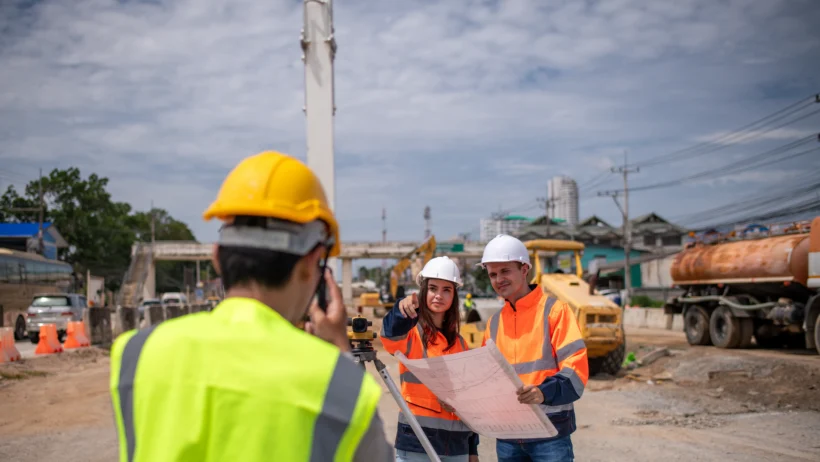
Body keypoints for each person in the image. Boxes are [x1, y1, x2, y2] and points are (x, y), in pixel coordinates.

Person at [109, 151, 393, 462]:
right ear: (310, 264)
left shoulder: (135, 354)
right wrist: (340, 353)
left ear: (217, 258)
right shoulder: (341, 387)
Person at [479, 234, 589, 462]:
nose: (499, 279)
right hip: (508, 435)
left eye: (505, 271)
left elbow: (576, 370)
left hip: (549, 433)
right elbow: (487, 378)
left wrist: (543, 392)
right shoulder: (494, 323)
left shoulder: (555, 312)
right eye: (493, 274)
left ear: (524, 269)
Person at [379, 257, 480, 462]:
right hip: (417, 444)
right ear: (423, 290)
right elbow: (389, 335)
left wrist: (472, 450)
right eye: (433, 288)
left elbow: (469, 401)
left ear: (454, 295)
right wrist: (401, 310)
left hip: (456, 448)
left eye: (446, 290)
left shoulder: (460, 344)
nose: (439, 295)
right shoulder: (411, 334)